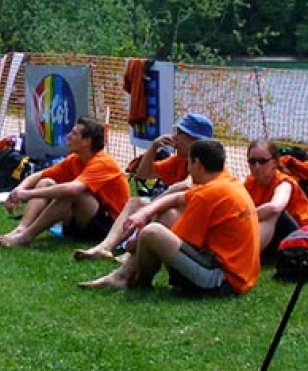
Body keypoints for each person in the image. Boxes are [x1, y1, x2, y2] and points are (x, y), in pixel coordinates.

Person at [79, 138, 260, 296]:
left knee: (152, 233)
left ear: (196, 163)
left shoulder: (208, 194)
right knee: (160, 216)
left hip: (224, 280)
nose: (188, 170)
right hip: (239, 273)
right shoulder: (227, 180)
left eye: (189, 164)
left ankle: (136, 280)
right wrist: (145, 212)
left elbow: (179, 238)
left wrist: (137, 240)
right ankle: (123, 275)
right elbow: (177, 197)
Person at [73, 112, 215, 262]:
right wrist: (153, 147)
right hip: (179, 219)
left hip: (198, 230)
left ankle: (131, 254)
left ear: (194, 140)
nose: (175, 137)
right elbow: (143, 173)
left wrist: (153, 205)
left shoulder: (207, 163)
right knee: (137, 202)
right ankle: (105, 247)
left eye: (180, 133)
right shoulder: (180, 160)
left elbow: (186, 185)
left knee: (161, 210)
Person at [0, 116, 130, 248]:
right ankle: (21, 229)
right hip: (83, 221)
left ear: (87, 141)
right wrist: (17, 191)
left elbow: (73, 189)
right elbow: (39, 175)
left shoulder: (103, 163)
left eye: (74, 134)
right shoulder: (75, 159)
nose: (68, 136)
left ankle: (27, 236)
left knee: (72, 192)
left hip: (109, 227)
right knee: (46, 182)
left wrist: (28, 194)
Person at [243, 139, 308, 254]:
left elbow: (275, 207)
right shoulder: (250, 182)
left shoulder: (284, 183)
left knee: (273, 213)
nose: (257, 166)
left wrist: (244, 217)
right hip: (271, 233)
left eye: (262, 161)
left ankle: (248, 252)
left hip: (299, 235)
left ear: (275, 162)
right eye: (252, 161)